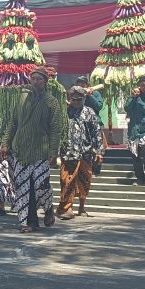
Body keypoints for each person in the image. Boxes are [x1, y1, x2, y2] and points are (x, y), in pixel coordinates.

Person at [0, 66, 64, 233]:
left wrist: (53, 151)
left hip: (40, 151)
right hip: (21, 150)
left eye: (39, 79)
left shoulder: (52, 102)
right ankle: (27, 222)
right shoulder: (22, 98)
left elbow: (56, 129)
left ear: (45, 81)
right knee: (23, 189)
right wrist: (5, 143)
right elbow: (13, 123)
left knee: (41, 187)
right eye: (33, 78)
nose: (36, 82)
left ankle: (48, 208)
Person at [58, 86, 103, 219]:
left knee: (85, 181)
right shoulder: (64, 112)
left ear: (84, 99)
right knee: (67, 180)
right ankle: (66, 208)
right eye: (73, 99)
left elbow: (96, 132)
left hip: (86, 152)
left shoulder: (89, 112)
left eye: (79, 99)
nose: (76, 101)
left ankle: (81, 207)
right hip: (68, 152)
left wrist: (99, 151)